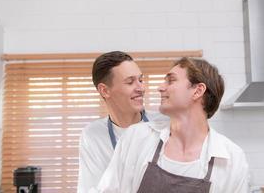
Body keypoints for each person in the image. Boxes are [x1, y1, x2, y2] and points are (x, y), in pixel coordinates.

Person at [97, 57, 249, 193]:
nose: (160, 87)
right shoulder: (137, 138)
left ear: (197, 91)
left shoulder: (232, 159)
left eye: (171, 80)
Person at [77, 51, 168, 193]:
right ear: (105, 90)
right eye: (130, 82)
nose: (141, 88)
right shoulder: (93, 135)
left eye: (141, 80)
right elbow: (89, 189)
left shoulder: (165, 124)